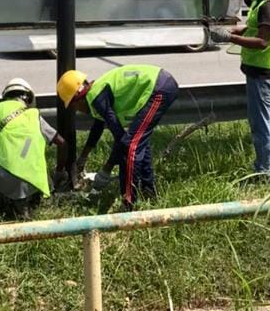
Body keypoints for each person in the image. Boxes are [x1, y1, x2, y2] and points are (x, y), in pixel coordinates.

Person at [209, 0, 270, 181]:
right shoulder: (264, 0)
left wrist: (229, 38)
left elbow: (262, 41)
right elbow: (254, 27)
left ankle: (263, 173)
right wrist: (234, 31)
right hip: (266, 74)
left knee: (261, 127)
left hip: (263, 76)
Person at [57, 64, 179, 210]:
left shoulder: (97, 98)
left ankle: (128, 203)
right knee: (138, 143)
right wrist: (83, 157)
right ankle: (149, 193)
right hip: (160, 84)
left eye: (74, 106)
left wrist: (106, 170)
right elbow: (97, 128)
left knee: (131, 146)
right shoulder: (96, 94)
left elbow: (120, 138)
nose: (78, 111)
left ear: (78, 98)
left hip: (159, 88)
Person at [0, 77, 63, 220]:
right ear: (28, 99)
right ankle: (28, 208)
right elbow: (62, 142)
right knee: (40, 170)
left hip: (1, 179)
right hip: (32, 181)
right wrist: (59, 170)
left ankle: (1, 206)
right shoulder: (34, 116)